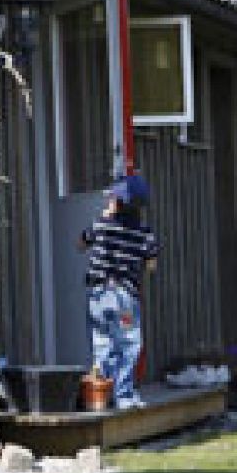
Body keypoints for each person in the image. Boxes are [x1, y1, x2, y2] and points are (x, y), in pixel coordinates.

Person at [77, 174, 159, 409]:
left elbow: (81, 244)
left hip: (97, 294)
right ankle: (124, 396)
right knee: (129, 343)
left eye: (112, 198)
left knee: (102, 344)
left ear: (118, 202)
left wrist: (101, 220)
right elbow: (152, 265)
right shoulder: (143, 232)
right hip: (124, 296)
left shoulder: (101, 225)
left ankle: (102, 397)